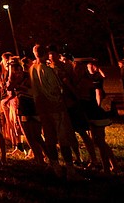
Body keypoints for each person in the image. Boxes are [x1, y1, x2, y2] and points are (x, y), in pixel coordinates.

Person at [30, 44, 80, 180]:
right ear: (45, 54)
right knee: (64, 139)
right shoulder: (47, 70)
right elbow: (57, 89)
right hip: (56, 108)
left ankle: (56, 166)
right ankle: (70, 170)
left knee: (49, 139)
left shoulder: (32, 69)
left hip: (42, 109)